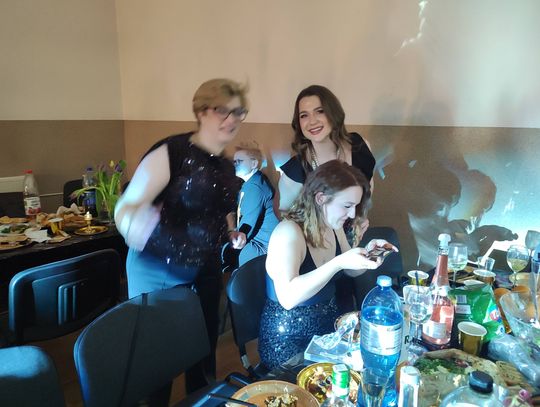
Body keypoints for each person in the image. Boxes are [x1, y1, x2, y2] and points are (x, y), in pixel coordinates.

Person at [114, 78, 248, 393]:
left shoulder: (226, 165)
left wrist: (229, 230)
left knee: (203, 354)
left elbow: (219, 209)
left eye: (238, 112)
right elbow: (125, 207)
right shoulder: (172, 151)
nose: (231, 119)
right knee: (157, 363)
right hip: (158, 268)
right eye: (222, 110)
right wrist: (134, 224)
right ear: (201, 111)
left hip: (205, 267)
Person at [258, 160, 397, 369]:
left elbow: (350, 269)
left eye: (355, 206)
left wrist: (368, 255)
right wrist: (338, 262)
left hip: (328, 332)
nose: (352, 214)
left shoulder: (333, 226)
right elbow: (287, 298)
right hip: (289, 342)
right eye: (347, 206)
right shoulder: (289, 232)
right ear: (321, 198)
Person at [278, 84, 377, 314]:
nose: (312, 121)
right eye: (304, 115)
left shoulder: (359, 146)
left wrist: (358, 218)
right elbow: (283, 214)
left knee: (351, 307)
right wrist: (318, 235)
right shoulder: (296, 168)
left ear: (333, 113)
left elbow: (367, 191)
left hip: (349, 238)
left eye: (319, 111)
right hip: (316, 250)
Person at [222, 143, 279, 270]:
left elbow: (245, 230)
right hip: (260, 244)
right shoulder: (253, 182)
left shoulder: (255, 188)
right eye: (234, 161)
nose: (235, 164)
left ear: (254, 164)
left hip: (261, 248)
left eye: (239, 161)